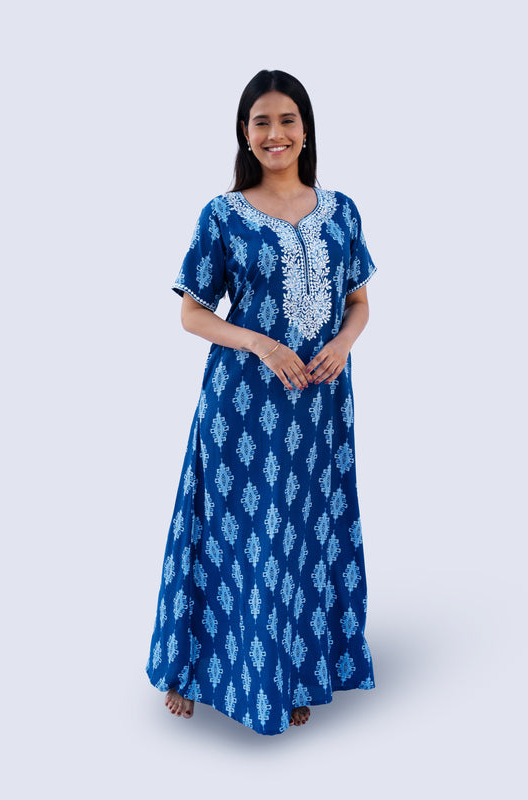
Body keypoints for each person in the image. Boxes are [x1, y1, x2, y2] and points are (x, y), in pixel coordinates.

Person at [146, 69, 378, 735]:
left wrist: (345, 343)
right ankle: (193, 668)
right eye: (261, 122)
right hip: (242, 405)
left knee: (304, 533)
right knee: (234, 533)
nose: (275, 133)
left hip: (319, 406)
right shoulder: (223, 215)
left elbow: (359, 302)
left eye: (286, 120)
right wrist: (259, 342)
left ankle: (293, 672)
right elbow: (192, 313)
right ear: (244, 135)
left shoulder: (341, 210)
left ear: (305, 129)